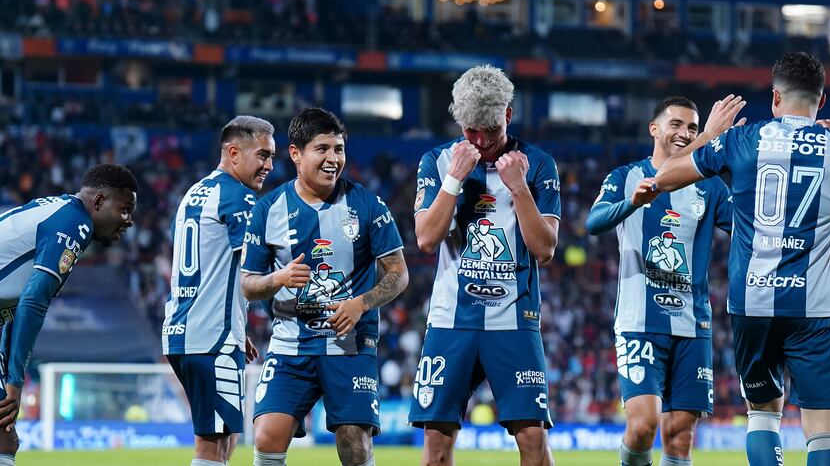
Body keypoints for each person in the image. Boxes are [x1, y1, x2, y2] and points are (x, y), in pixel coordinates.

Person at [655, 52, 830, 466]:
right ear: (822, 100)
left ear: (775, 98)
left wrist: (710, 134)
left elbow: (665, 175)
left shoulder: (743, 140)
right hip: (815, 308)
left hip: (753, 302)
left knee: (763, 414)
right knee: (824, 431)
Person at [0, 164, 138, 466]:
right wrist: (15, 383)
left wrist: (8, 371)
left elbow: (19, 305)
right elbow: (32, 301)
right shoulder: (74, 224)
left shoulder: (60, 211)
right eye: (124, 210)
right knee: (1, 437)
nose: (129, 221)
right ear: (98, 202)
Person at [409, 65, 561, 466]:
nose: (479, 141)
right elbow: (426, 239)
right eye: (470, 130)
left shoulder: (538, 164)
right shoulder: (439, 161)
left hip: (514, 320)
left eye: (489, 130)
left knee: (533, 443)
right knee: (436, 450)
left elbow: (544, 249)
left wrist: (520, 188)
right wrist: (454, 180)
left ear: (508, 115)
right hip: (450, 322)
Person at [241, 107, 409, 466]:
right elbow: (248, 285)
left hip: (350, 345)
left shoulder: (367, 204)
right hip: (290, 344)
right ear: (296, 153)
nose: (334, 159)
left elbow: (398, 272)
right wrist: (277, 279)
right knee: (267, 434)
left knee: (354, 442)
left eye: (339, 149)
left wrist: (360, 304)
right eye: (323, 149)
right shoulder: (268, 209)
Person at [585, 97, 732, 466]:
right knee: (643, 426)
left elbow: (746, 224)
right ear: (654, 128)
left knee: (680, 436)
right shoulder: (625, 177)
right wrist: (632, 204)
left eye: (693, 129)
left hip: (693, 323)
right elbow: (594, 222)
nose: (684, 134)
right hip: (640, 322)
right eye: (677, 125)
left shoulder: (710, 188)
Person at [163, 116, 275, 466]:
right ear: (233, 152)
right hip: (210, 338)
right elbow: (254, 271)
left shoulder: (197, 192)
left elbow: (212, 267)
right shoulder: (237, 197)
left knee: (225, 440)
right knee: (213, 449)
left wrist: (236, 325)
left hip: (187, 330)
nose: (269, 166)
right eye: (262, 155)